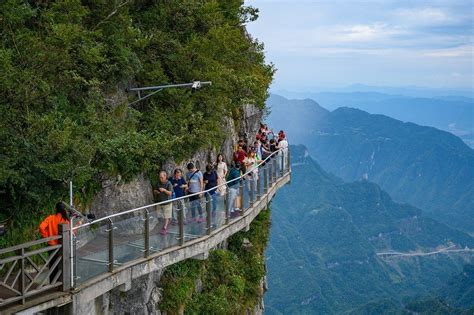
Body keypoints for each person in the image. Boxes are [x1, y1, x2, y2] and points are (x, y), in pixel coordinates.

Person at [39, 202, 70, 283]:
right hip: (62, 246)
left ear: (56, 209)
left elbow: (41, 227)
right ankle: (61, 283)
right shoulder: (65, 220)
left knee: (52, 265)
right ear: (64, 209)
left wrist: (47, 237)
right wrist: (78, 224)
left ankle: (52, 283)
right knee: (62, 265)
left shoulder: (50, 218)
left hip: (51, 245)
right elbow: (70, 233)